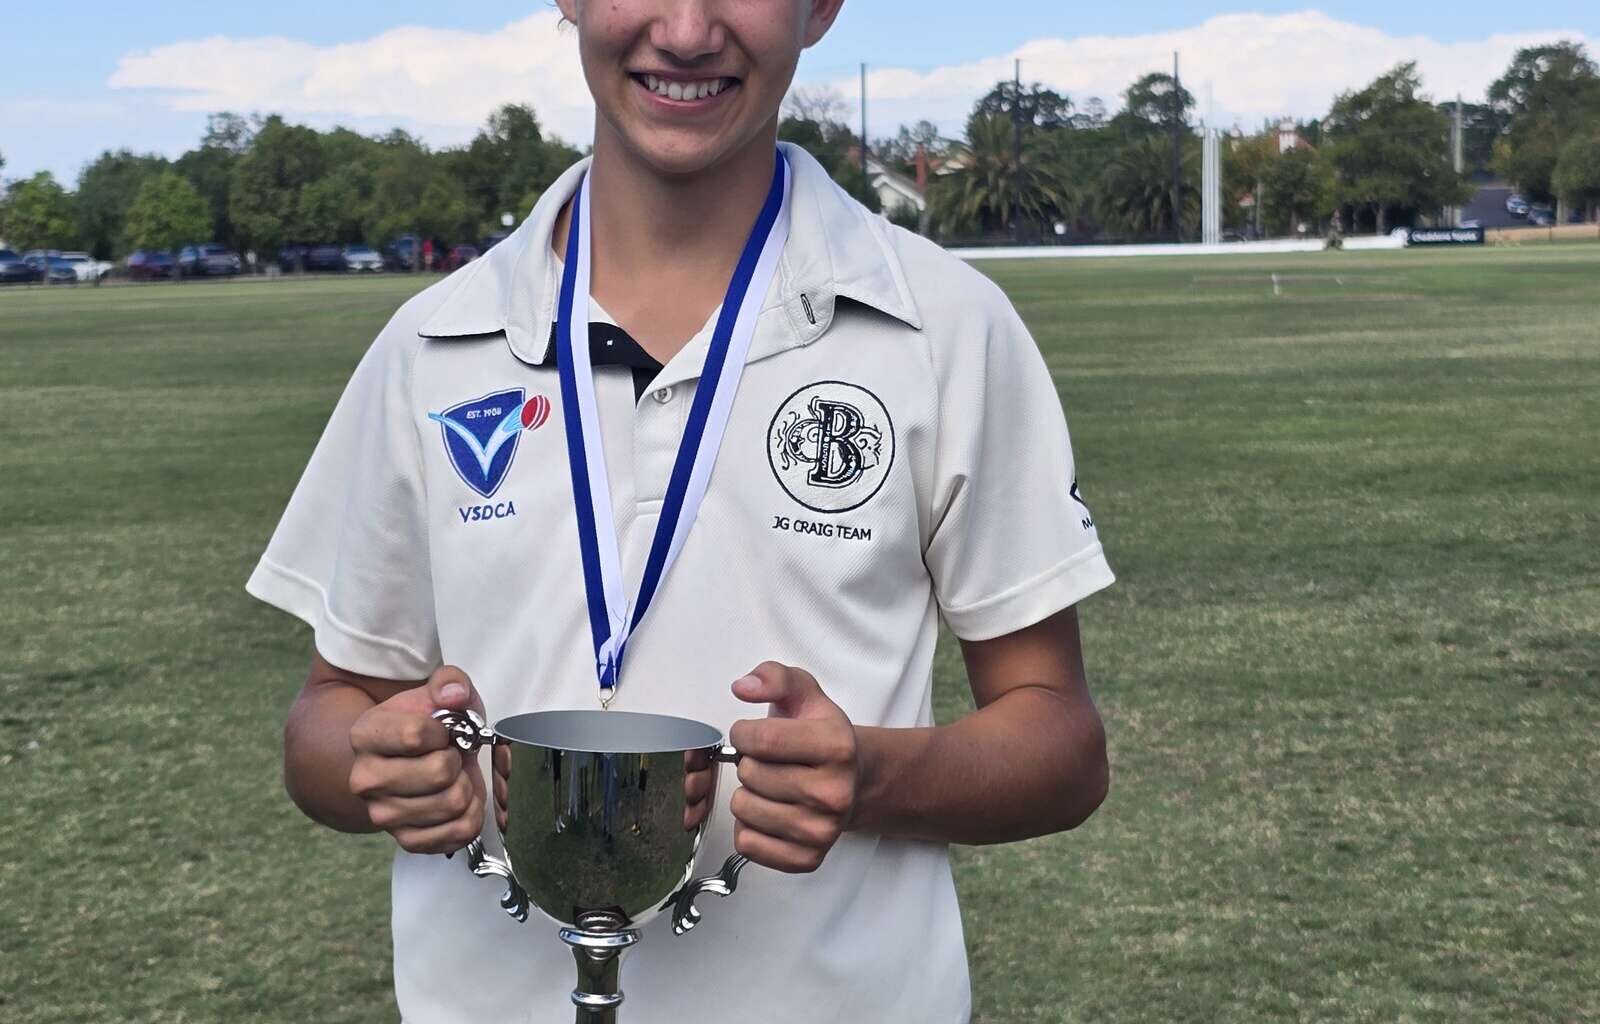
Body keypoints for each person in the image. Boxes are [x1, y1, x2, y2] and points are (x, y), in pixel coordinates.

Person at [246, 2, 1113, 1021]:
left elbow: (1062, 743)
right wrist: (376, 761)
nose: (689, 30)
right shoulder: (433, 343)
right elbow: (328, 712)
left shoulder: (943, 328)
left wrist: (872, 774)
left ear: (821, 7)